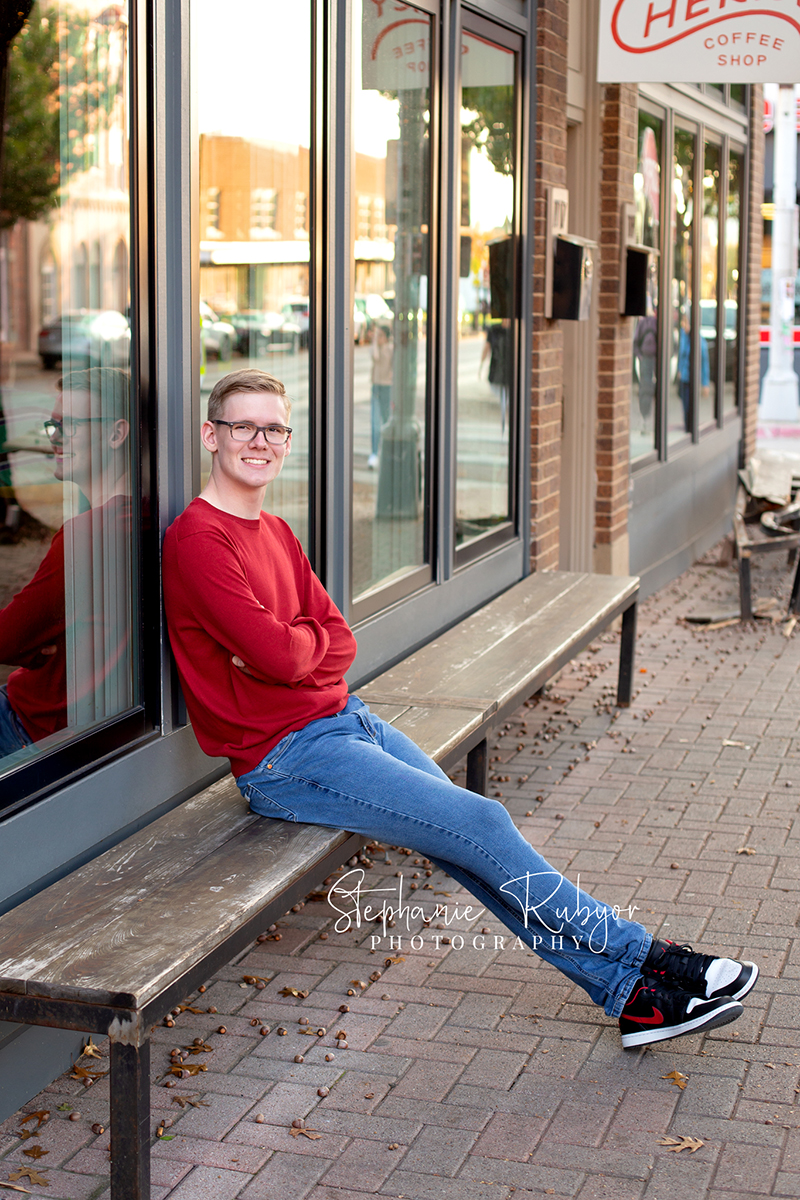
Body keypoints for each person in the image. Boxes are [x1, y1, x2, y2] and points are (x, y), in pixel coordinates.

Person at [163, 367, 758, 1050]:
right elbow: (286, 657)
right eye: (244, 426)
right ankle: (646, 957)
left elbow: (336, 640)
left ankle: (630, 996)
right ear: (212, 434)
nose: (260, 441)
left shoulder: (272, 528)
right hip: (284, 757)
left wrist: (300, 648)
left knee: (471, 849)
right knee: (480, 819)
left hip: (345, 722)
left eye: (274, 427)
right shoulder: (198, 540)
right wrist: (299, 648)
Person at [0, 367, 133, 764]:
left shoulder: (91, 534)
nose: (55, 439)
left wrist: (35, 644)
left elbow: (7, 639)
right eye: (52, 426)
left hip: (36, 727)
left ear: (116, 433)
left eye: (70, 426)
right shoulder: (146, 515)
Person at [368, 324, 393, 469]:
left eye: (381, 335)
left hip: (387, 388)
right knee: (375, 423)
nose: (379, 338)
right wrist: (374, 341)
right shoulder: (376, 348)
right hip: (376, 388)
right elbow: (374, 356)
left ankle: (386, 452)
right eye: (378, 335)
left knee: (386, 421)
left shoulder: (390, 349)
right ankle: (374, 453)